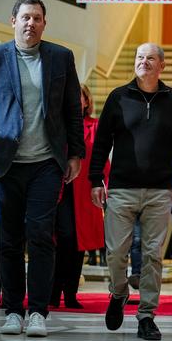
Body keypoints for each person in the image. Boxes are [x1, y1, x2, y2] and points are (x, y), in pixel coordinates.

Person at [0, 0, 84, 338]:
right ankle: (14, 310)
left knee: (41, 235)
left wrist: (75, 154)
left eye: (38, 18)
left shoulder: (60, 57)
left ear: (45, 24)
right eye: (25, 17)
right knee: (8, 239)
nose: (31, 23)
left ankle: (38, 312)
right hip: (5, 164)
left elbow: (73, 109)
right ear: (13, 21)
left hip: (46, 162)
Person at [89, 42, 172, 341]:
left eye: (150, 59)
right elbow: (102, 143)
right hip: (121, 189)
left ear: (162, 65)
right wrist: (96, 179)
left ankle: (147, 315)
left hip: (160, 191)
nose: (143, 62)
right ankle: (118, 292)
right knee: (116, 252)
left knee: (152, 257)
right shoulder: (118, 97)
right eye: (139, 58)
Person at [50, 84, 108, 309]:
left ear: (86, 101)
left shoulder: (94, 126)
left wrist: (104, 184)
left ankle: (71, 294)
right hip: (58, 189)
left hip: (85, 192)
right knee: (60, 240)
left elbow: (102, 159)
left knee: (78, 244)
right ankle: (53, 292)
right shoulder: (56, 124)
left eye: (79, 97)